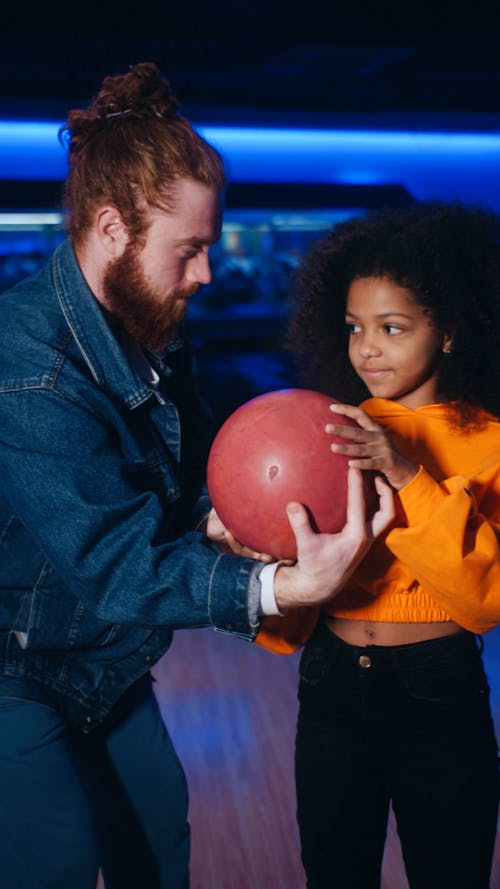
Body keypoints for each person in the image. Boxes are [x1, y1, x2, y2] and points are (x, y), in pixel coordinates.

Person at [0, 62, 394, 889]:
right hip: (13, 665)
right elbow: (113, 562)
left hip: (102, 659)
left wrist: (222, 519)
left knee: (157, 840)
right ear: (112, 228)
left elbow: (188, 476)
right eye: (191, 250)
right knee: (56, 859)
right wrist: (278, 588)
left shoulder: (153, 325)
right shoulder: (25, 365)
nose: (207, 275)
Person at [256, 201, 500, 889]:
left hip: (440, 690)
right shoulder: (329, 429)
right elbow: (298, 584)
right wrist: (257, 561)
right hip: (331, 684)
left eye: (393, 328)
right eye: (356, 328)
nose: (368, 348)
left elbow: (486, 597)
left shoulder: (489, 440)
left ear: (450, 332)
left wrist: (404, 471)